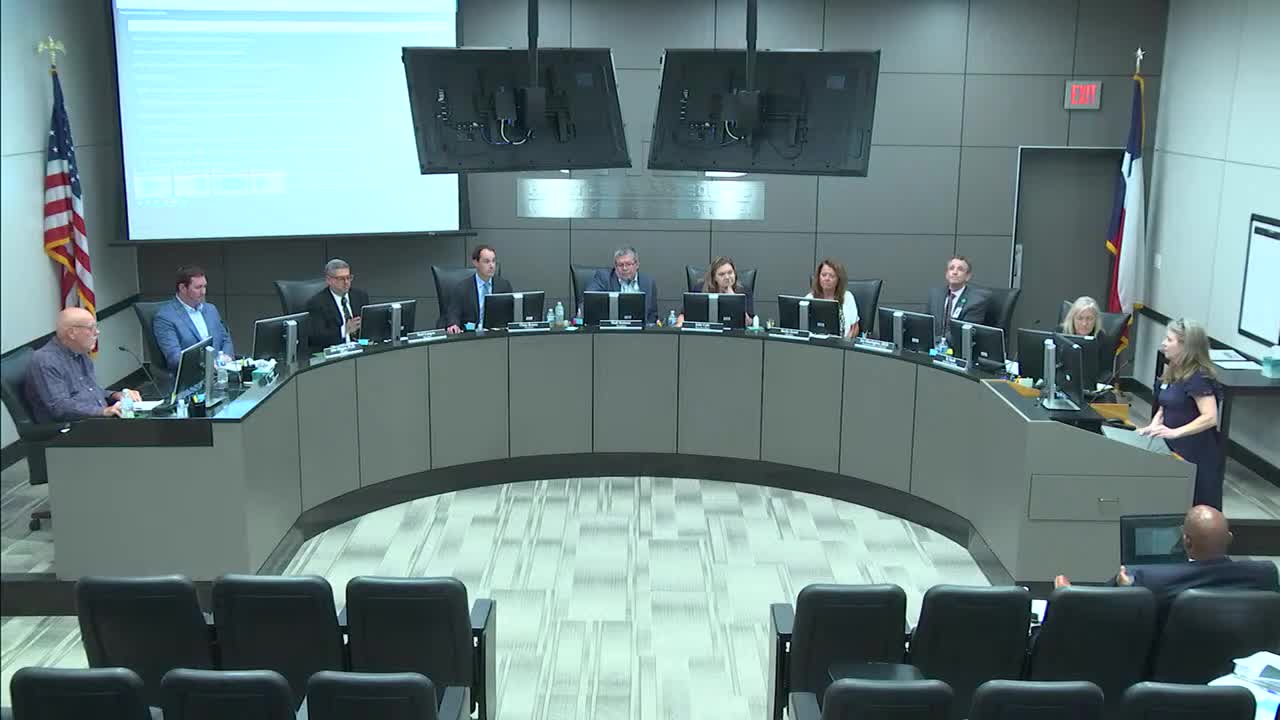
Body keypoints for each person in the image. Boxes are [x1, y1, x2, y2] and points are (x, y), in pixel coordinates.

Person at [1054, 505, 1278, 603]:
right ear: (1229, 538)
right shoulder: (1264, 574)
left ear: (1186, 541)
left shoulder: (1148, 579)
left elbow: (1105, 609)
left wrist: (1126, 589)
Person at [1135, 318, 1224, 509]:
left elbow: (1210, 417)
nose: (1163, 343)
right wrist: (1154, 426)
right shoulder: (1174, 369)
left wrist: (1175, 432)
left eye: (1169, 340)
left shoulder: (1198, 376)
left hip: (1196, 454)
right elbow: (1165, 405)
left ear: (1186, 346)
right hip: (1172, 450)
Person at [24, 308, 141, 421]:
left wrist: (116, 395)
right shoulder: (45, 361)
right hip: (71, 428)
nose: (97, 332)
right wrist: (104, 412)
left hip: (96, 421)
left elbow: (91, 391)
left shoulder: (80, 352)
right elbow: (61, 408)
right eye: (91, 328)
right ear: (71, 333)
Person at [152, 265, 234, 370]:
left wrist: (227, 356)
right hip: (194, 376)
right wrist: (207, 365)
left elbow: (225, 338)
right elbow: (175, 358)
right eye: (198, 287)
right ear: (182, 288)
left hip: (222, 371)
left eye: (204, 286)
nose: (203, 292)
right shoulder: (165, 317)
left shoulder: (211, 309)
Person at [445, 245, 512, 333]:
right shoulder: (463, 288)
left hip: (496, 334)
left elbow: (510, 314)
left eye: (493, 261)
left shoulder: (504, 286)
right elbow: (454, 312)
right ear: (476, 262)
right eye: (486, 261)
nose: (491, 265)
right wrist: (453, 324)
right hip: (471, 335)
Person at [584, 246, 658, 325]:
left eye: (628, 264)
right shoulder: (604, 278)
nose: (624, 268)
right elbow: (588, 300)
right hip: (611, 329)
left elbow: (652, 314)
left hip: (639, 330)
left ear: (637, 265)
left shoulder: (648, 282)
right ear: (615, 267)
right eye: (620, 265)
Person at [305, 259, 369, 348]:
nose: (346, 282)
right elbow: (317, 337)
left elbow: (367, 328)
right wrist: (345, 330)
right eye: (341, 279)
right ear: (328, 280)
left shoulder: (360, 296)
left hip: (360, 347)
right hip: (334, 350)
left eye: (348, 277)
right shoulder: (317, 303)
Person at [926, 255, 990, 340]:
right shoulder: (935, 295)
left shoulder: (976, 301)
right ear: (946, 274)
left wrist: (937, 341)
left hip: (957, 346)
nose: (955, 272)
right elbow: (926, 323)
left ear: (968, 276)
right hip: (932, 344)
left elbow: (963, 333)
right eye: (951, 268)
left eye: (960, 269)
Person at [805, 258, 860, 338]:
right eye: (824, 275)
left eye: (832, 276)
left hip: (841, 342)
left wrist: (846, 341)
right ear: (818, 277)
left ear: (838, 279)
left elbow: (855, 327)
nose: (827, 279)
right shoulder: (810, 298)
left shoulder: (847, 297)